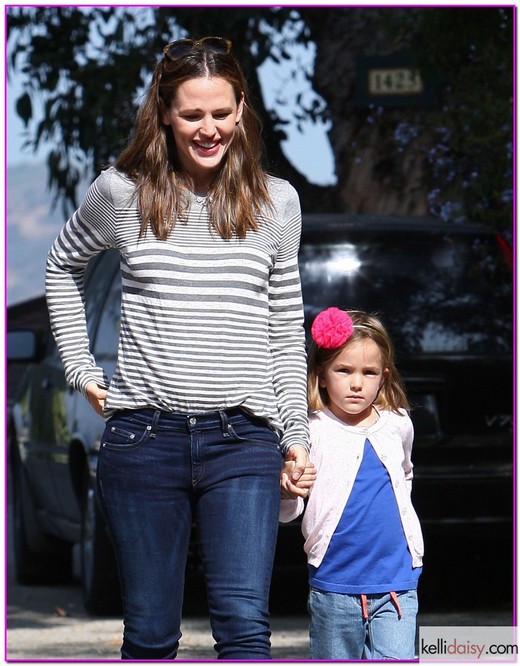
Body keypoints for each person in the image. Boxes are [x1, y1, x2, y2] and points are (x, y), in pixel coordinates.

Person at [46, 36, 312, 660]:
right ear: (164, 112)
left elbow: (282, 328)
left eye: (221, 112)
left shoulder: (278, 202)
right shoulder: (121, 193)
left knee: (245, 627)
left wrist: (295, 435)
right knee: (149, 633)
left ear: (241, 108)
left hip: (243, 439)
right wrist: (82, 369)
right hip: (143, 440)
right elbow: (61, 268)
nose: (209, 128)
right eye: (192, 114)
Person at [280, 307, 424, 660]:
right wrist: (286, 489)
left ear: (384, 376)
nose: (357, 383)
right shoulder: (310, 430)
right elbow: (288, 512)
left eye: (369, 372)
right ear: (322, 375)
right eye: (344, 370)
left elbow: (404, 473)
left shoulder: (397, 423)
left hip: (397, 583)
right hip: (334, 584)